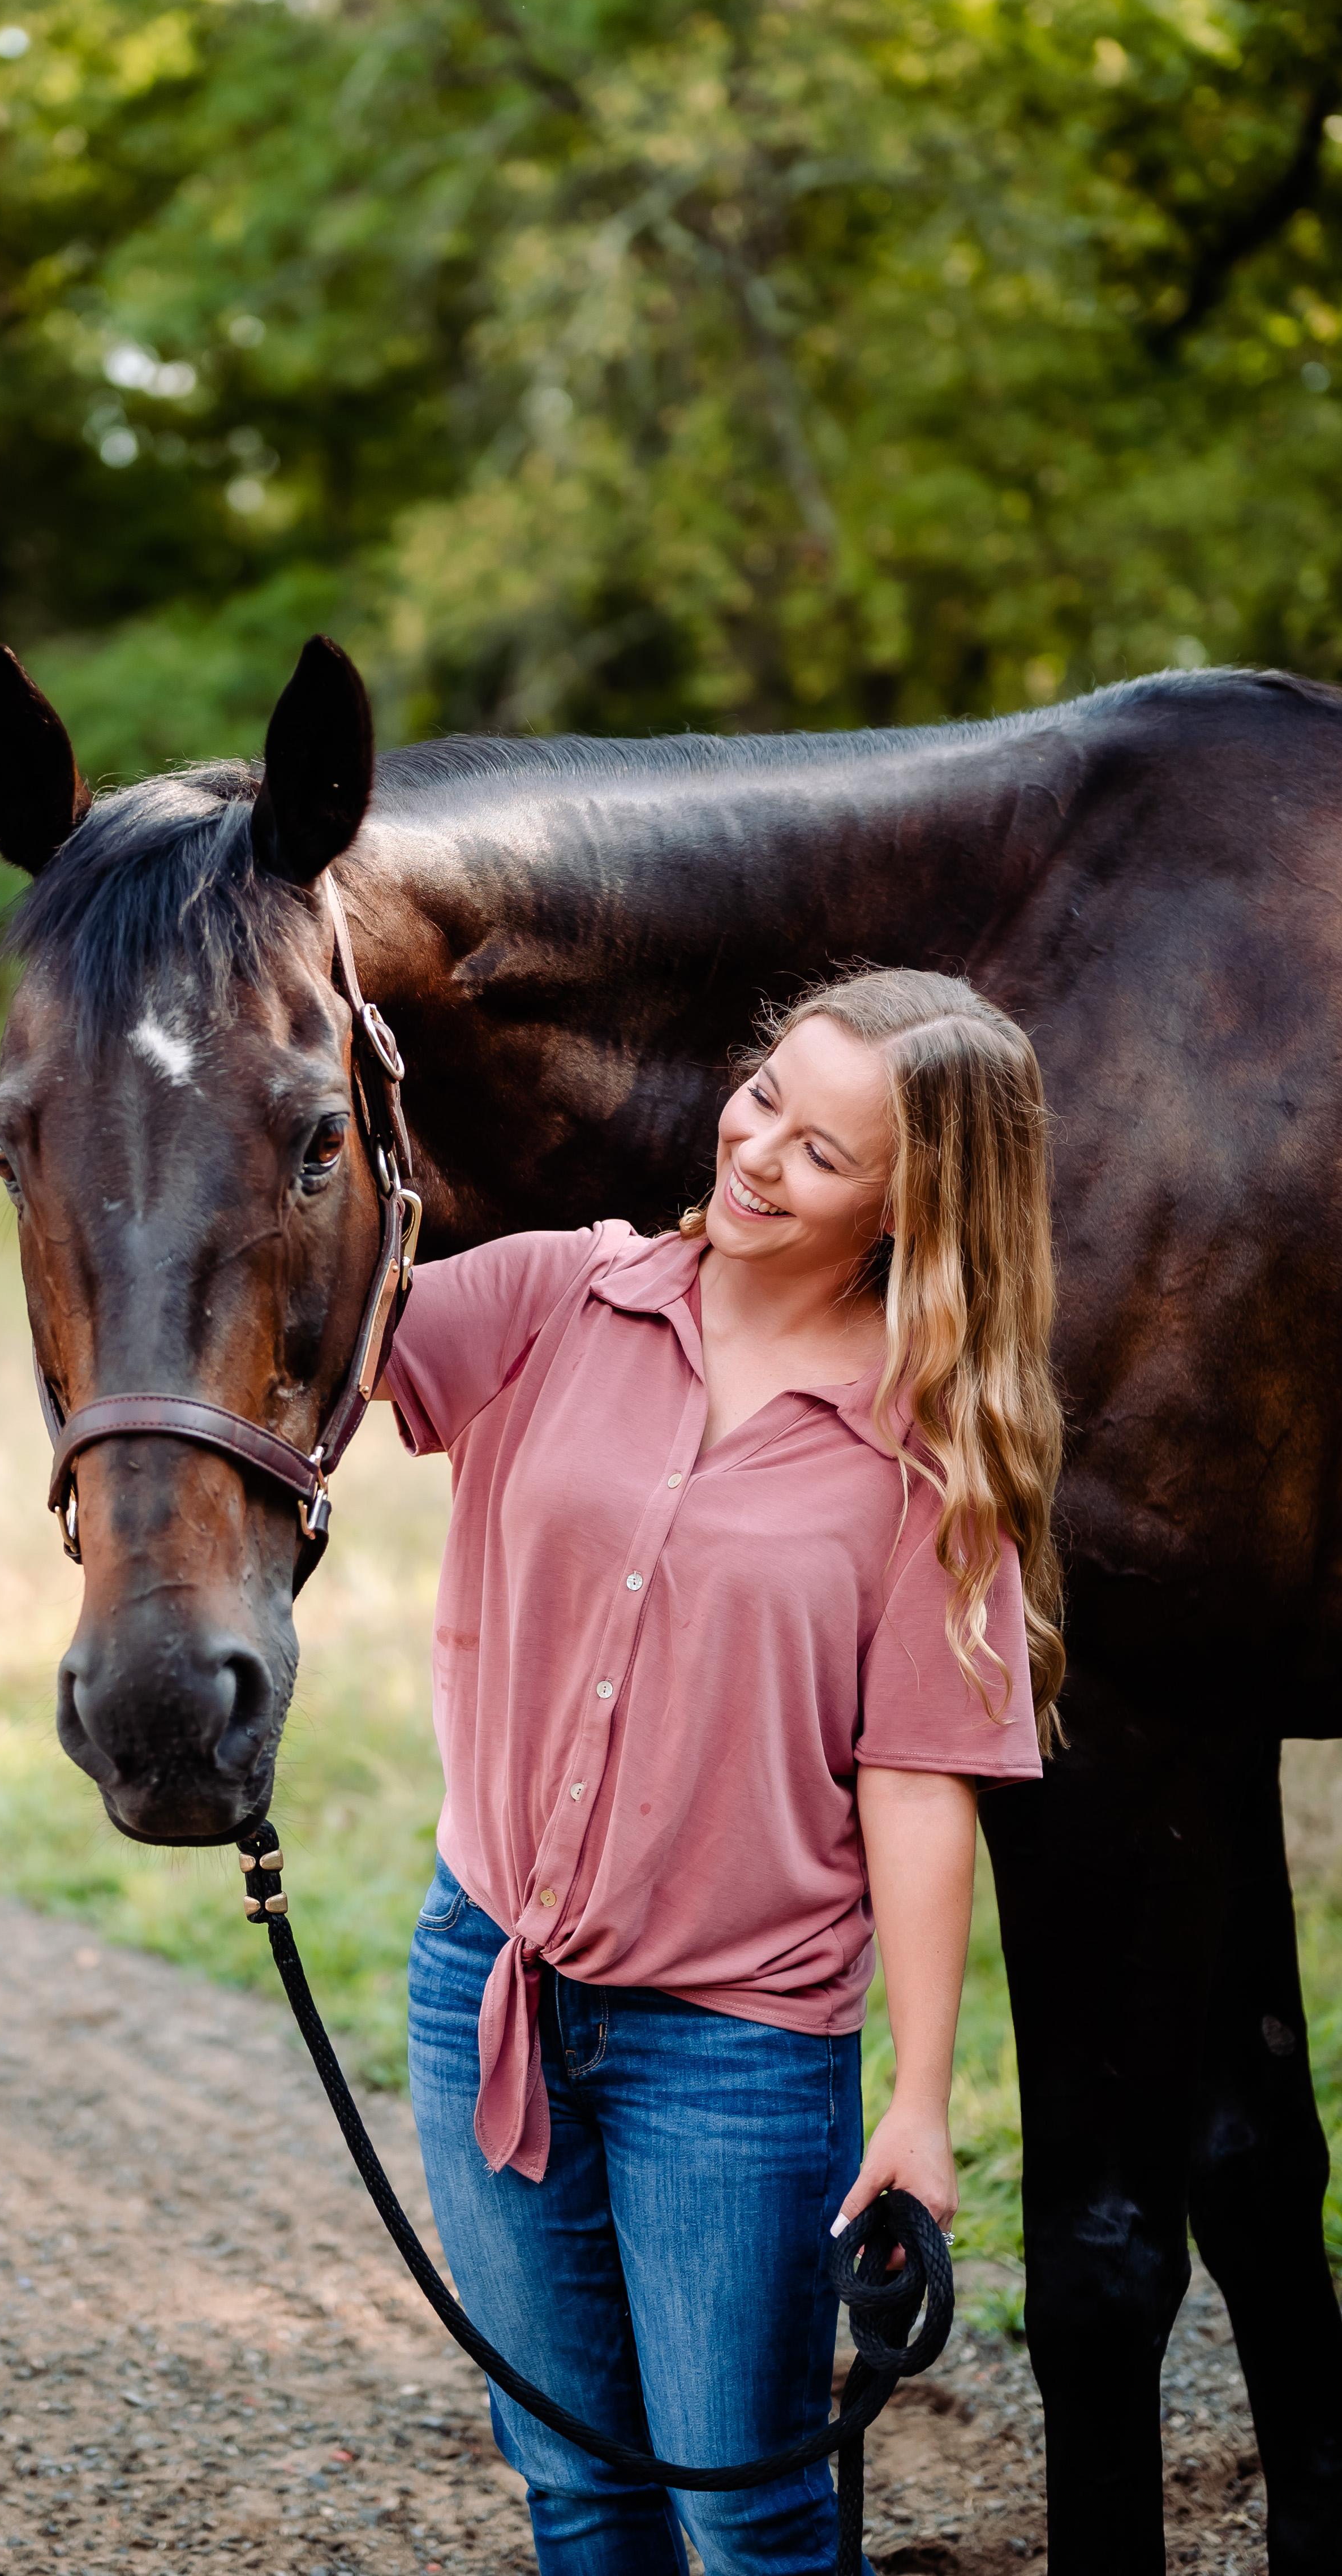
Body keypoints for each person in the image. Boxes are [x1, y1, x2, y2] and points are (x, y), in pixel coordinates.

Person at [378, 968, 1065, 2576]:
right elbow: (286, 1350)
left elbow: (917, 1782)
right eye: (766, 1096)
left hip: (737, 2055)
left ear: (912, 1211)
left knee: (743, 2507)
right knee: (573, 2477)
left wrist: (915, 2099)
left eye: (825, 1153)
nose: (759, 1154)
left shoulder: (926, 1462)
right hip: (485, 1972)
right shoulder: (557, 1296)